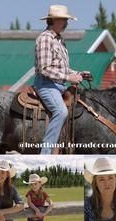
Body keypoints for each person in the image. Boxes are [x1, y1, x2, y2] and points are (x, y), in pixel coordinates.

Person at [34, 4, 84, 154]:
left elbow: (62, 68)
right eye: (64, 20)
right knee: (61, 112)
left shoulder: (60, 40)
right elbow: (45, 69)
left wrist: (78, 73)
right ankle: (46, 153)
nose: (66, 23)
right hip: (46, 84)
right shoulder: (45, 39)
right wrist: (69, 77)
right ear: (54, 20)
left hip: (59, 85)